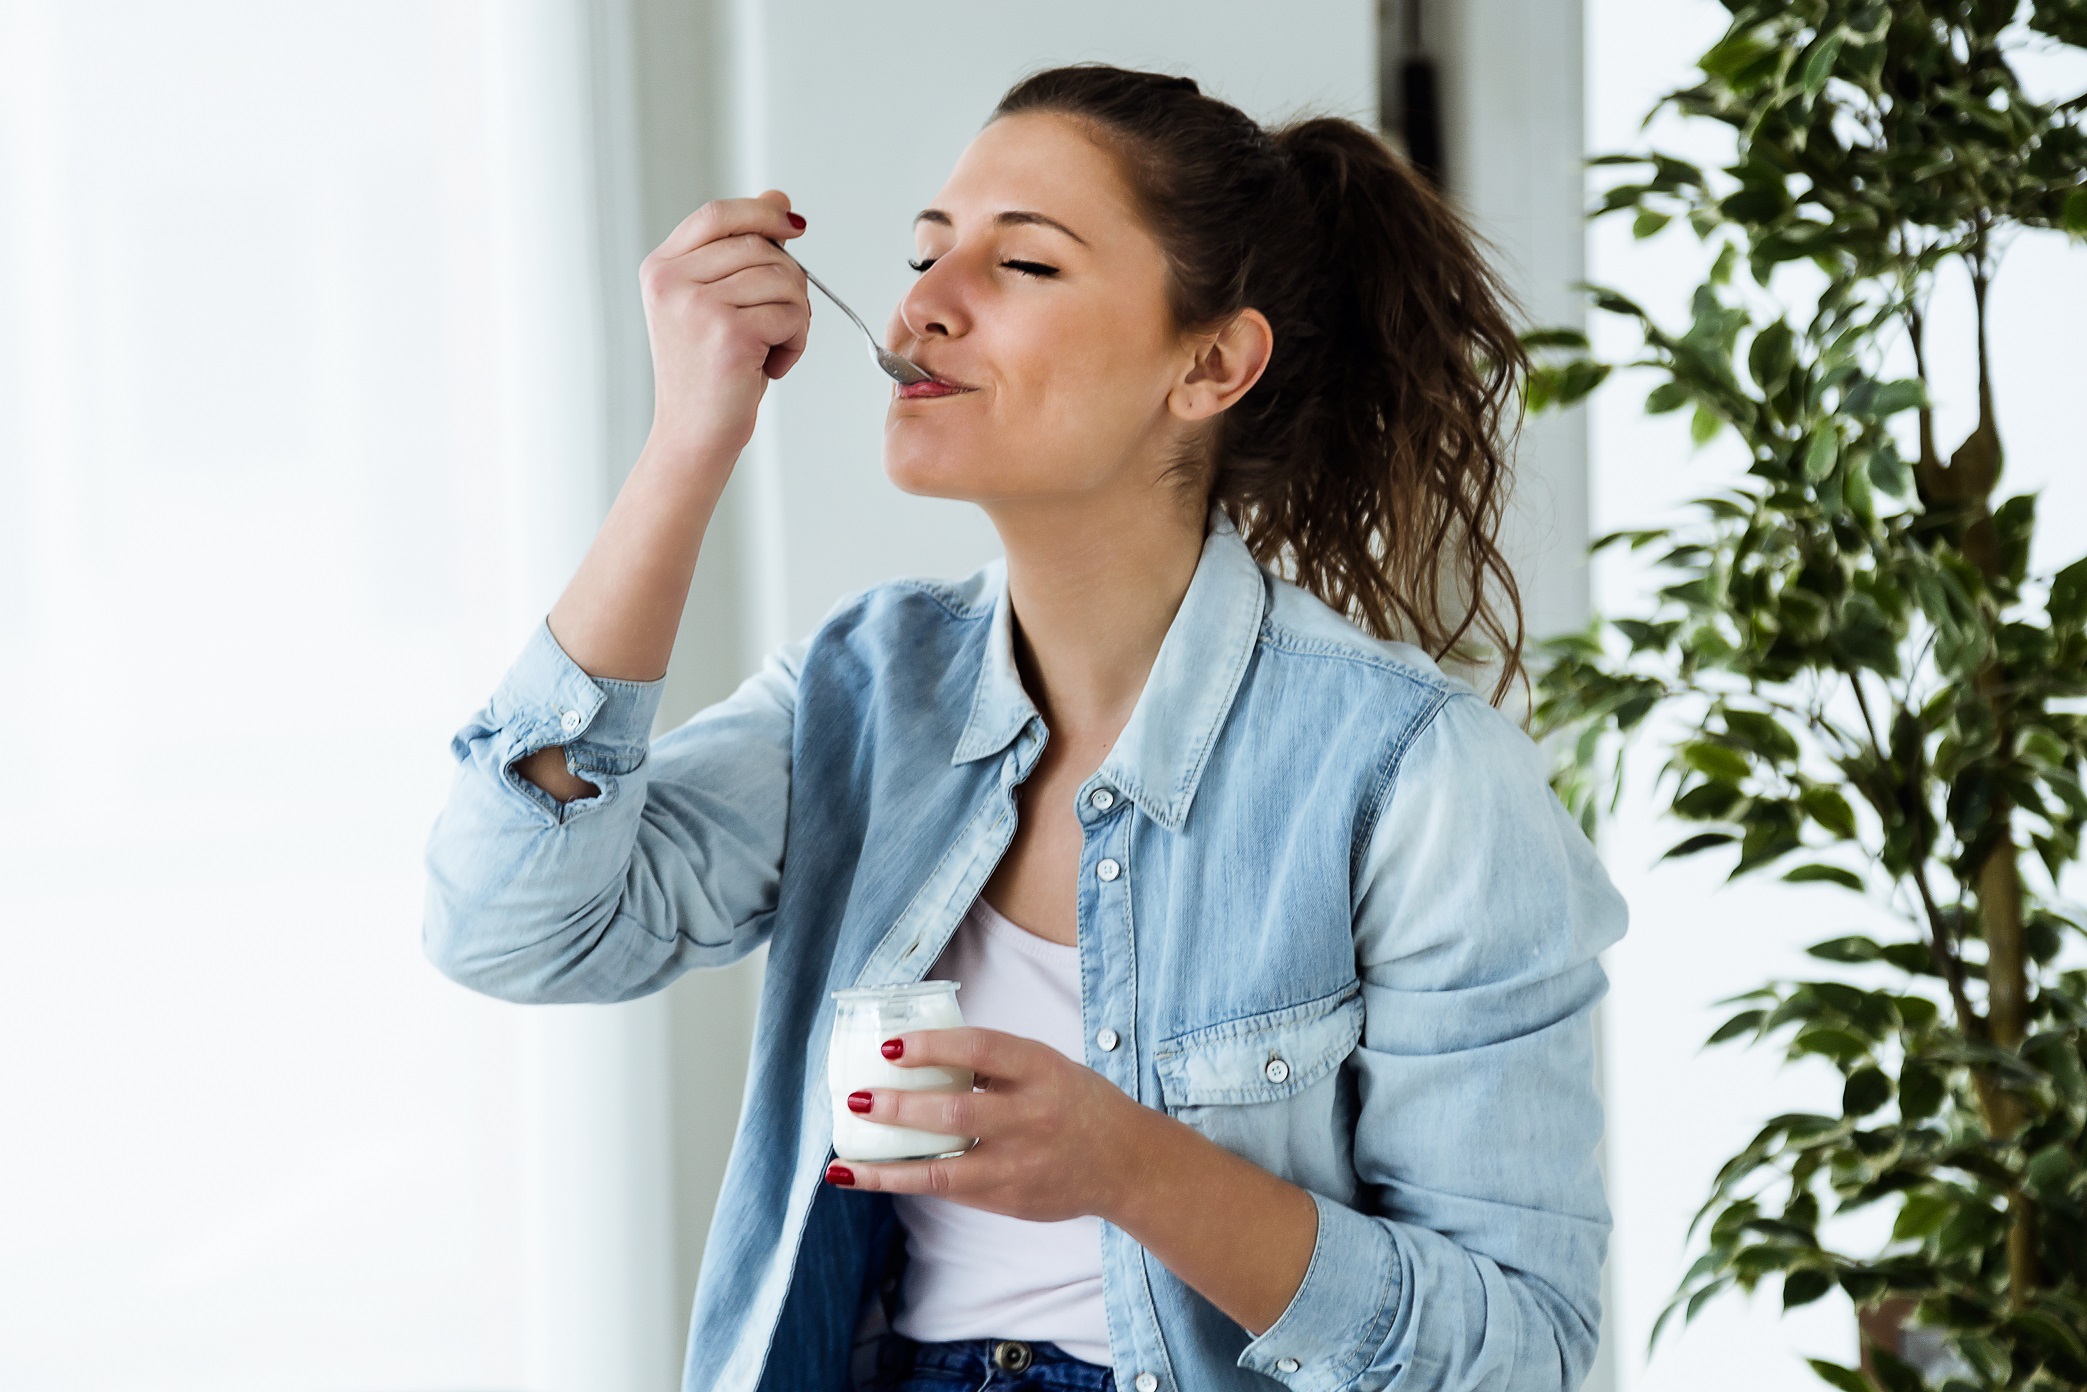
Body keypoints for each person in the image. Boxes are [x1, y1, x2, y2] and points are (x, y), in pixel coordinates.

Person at [425, 64, 1626, 1392]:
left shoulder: (1416, 776)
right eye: (926, 254)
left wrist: (1127, 1166)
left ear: (1211, 362)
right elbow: (514, 926)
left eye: (1024, 266)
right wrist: (688, 443)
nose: (924, 306)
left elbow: (1522, 1353)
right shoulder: (864, 691)